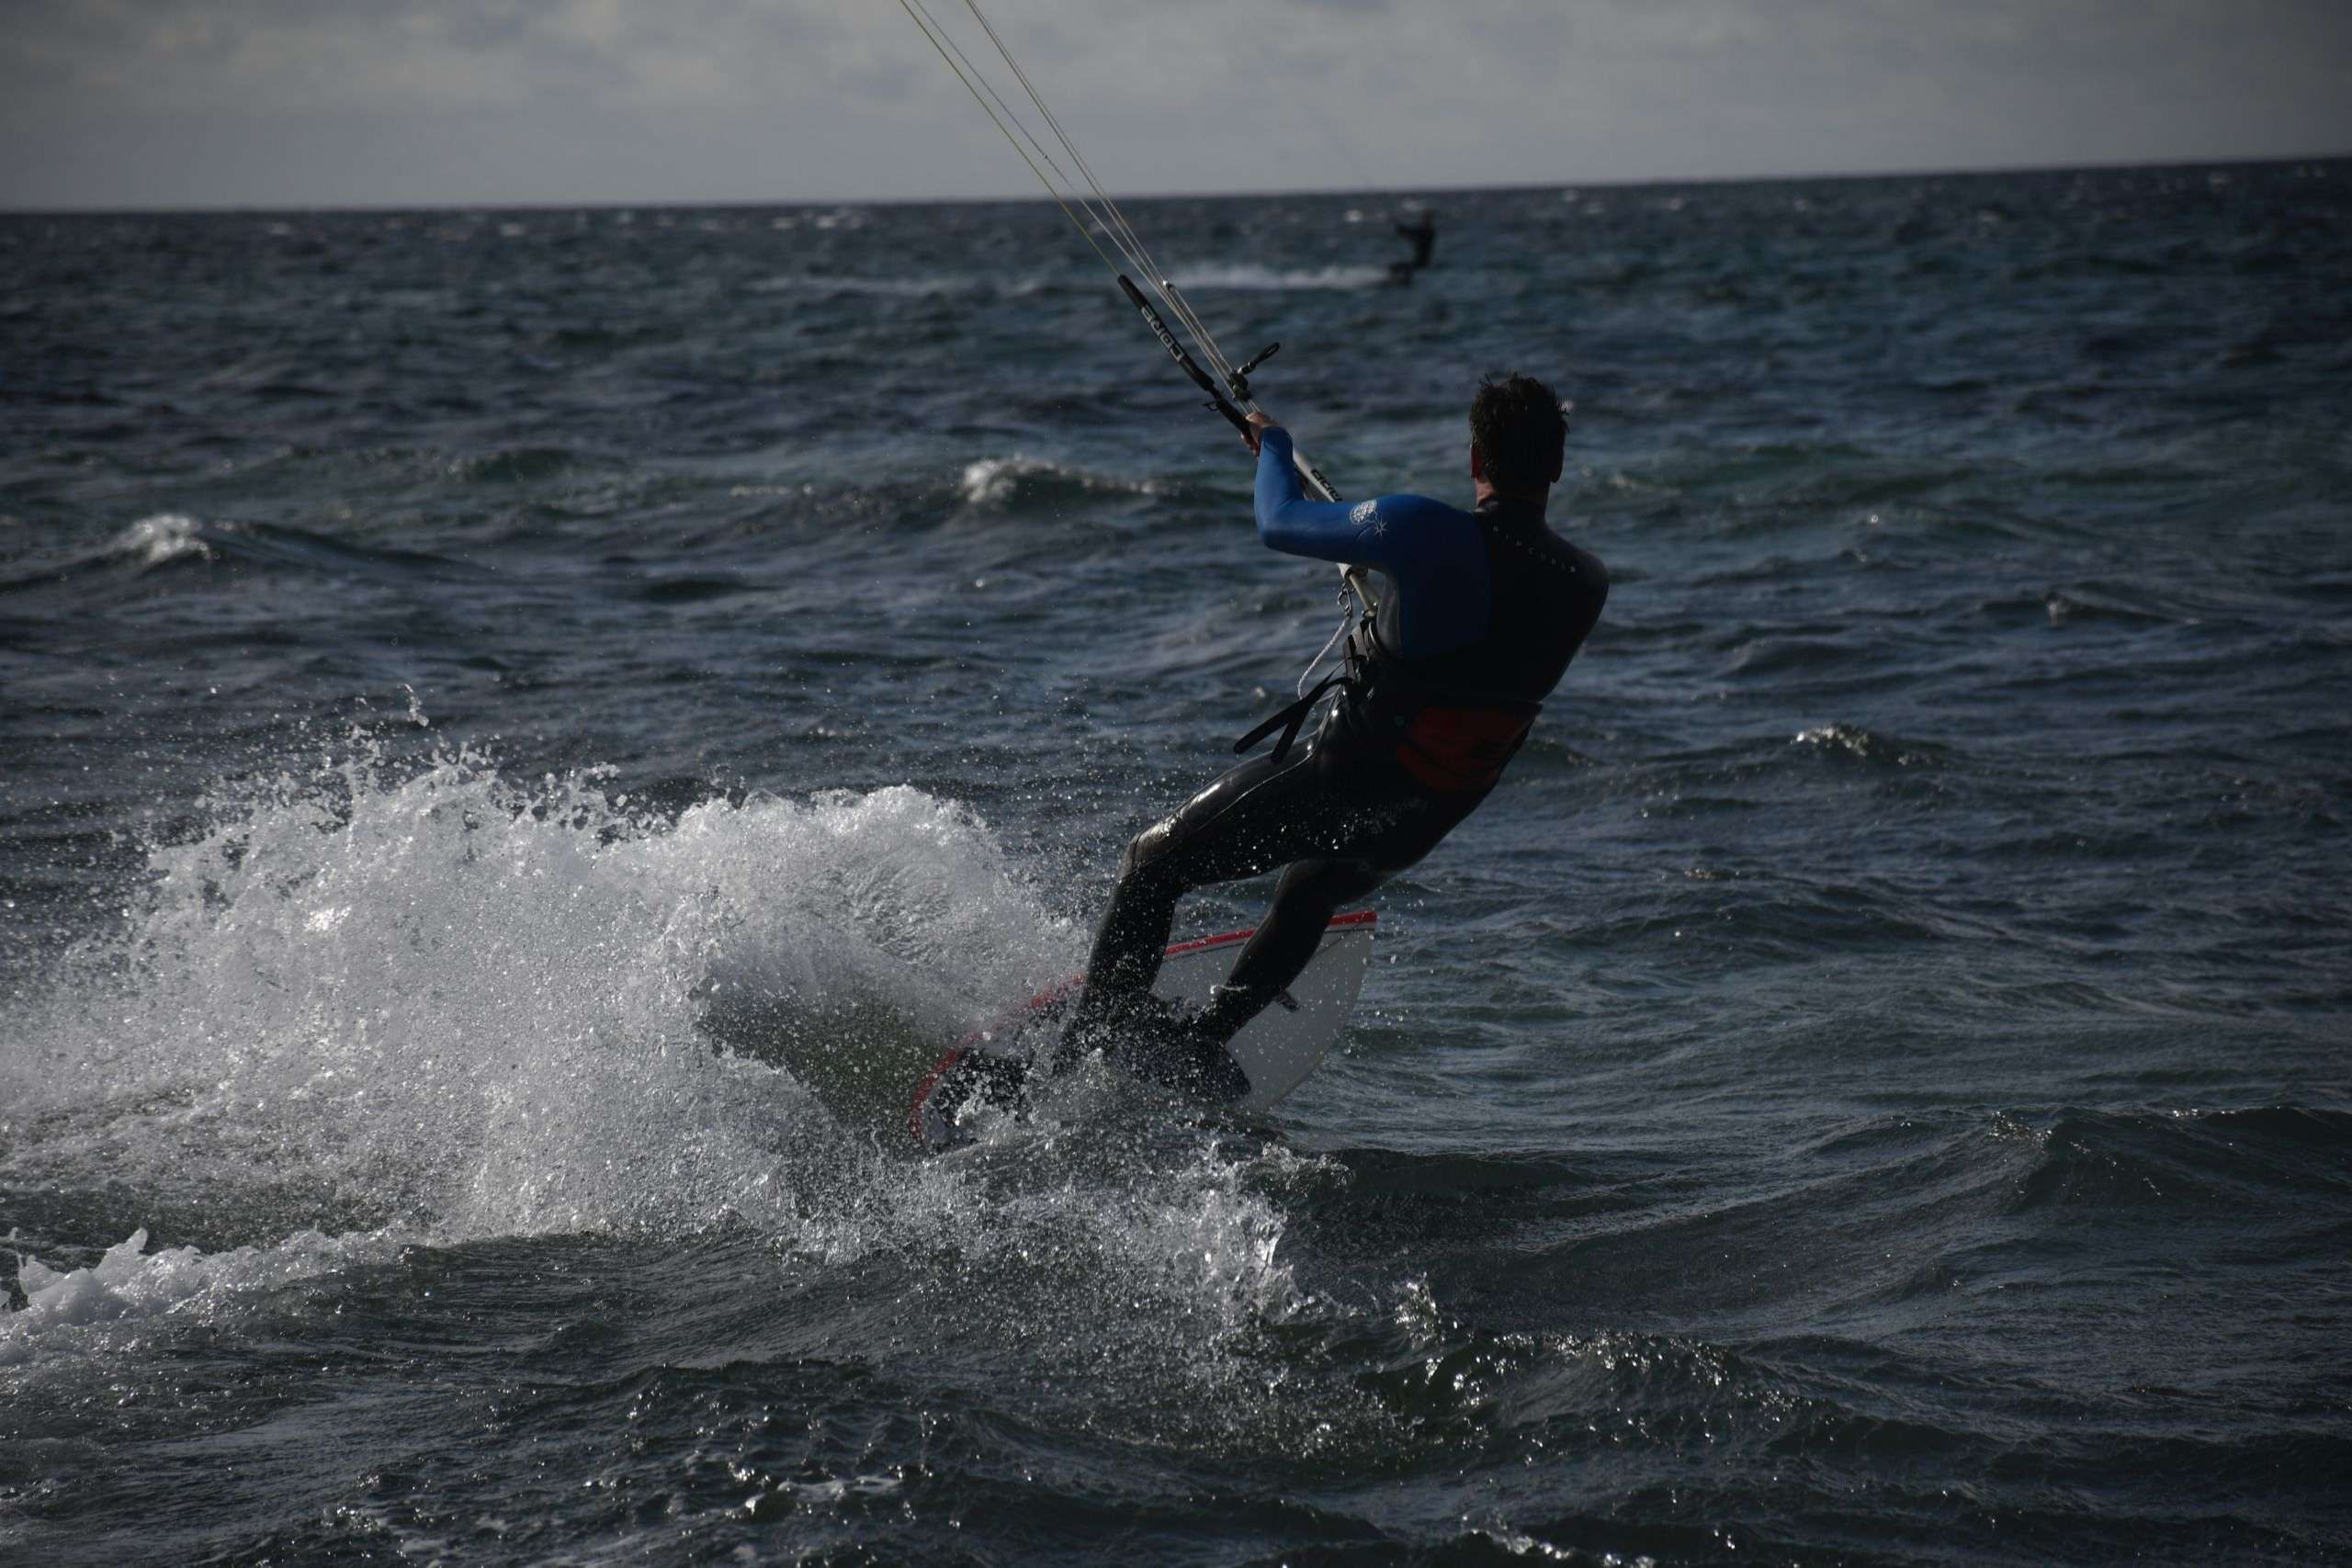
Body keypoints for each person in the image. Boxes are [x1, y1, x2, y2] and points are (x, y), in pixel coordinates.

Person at [1046, 371, 1609, 1100]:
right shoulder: (1586, 582)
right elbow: (1479, 642)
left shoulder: (1422, 531)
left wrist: (1273, 447)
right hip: (1424, 817)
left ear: (1474, 458)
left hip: (1344, 786)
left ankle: (1077, 1061)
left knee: (1153, 864)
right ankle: (1199, 1046)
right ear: (1557, 467)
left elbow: (1279, 521)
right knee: (1310, 888)